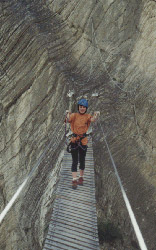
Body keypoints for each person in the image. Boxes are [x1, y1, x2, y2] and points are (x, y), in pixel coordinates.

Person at [65, 98, 100, 189]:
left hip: (83, 141)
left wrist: (96, 115)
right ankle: (74, 179)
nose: (82, 108)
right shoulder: (74, 115)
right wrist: (68, 114)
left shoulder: (87, 116)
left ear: (86, 108)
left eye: (84, 107)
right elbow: (68, 120)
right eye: (81, 107)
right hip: (74, 140)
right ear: (78, 107)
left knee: (82, 161)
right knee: (75, 161)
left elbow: (93, 120)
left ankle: (81, 177)